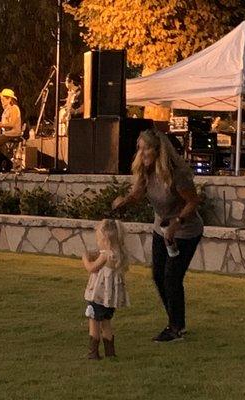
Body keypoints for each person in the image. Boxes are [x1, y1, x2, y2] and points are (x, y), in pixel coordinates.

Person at [112, 129, 203, 342]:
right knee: (158, 276)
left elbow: (193, 202)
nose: (141, 153)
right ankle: (176, 322)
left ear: (158, 150)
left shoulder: (176, 175)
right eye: (140, 148)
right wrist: (124, 201)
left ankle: (175, 328)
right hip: (161, 228)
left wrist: (176, 223)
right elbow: (137, 194)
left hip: (185, 230)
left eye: (147, 148)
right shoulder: (146, 171)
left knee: (172, 277)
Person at [82, 219, 130, 360]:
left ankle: (93, 353)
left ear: (105, 239)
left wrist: (85, 257)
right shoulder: (118, 254)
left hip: (98, 295)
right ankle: (110, 352)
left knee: (94, 322)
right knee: (106, 323)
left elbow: (91, 268)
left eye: (99, 239)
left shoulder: (105, 255)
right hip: (109, 298)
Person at [0, 88, 22, 153]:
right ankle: (3, 159)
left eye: (3, 100)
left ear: (9, 99)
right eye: (1, 100)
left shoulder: (14, 108)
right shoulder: (7, 109)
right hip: (7, 133)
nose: (2, 101)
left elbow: (11, 124)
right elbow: (6, 122)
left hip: (13, 133)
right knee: (0, 145)